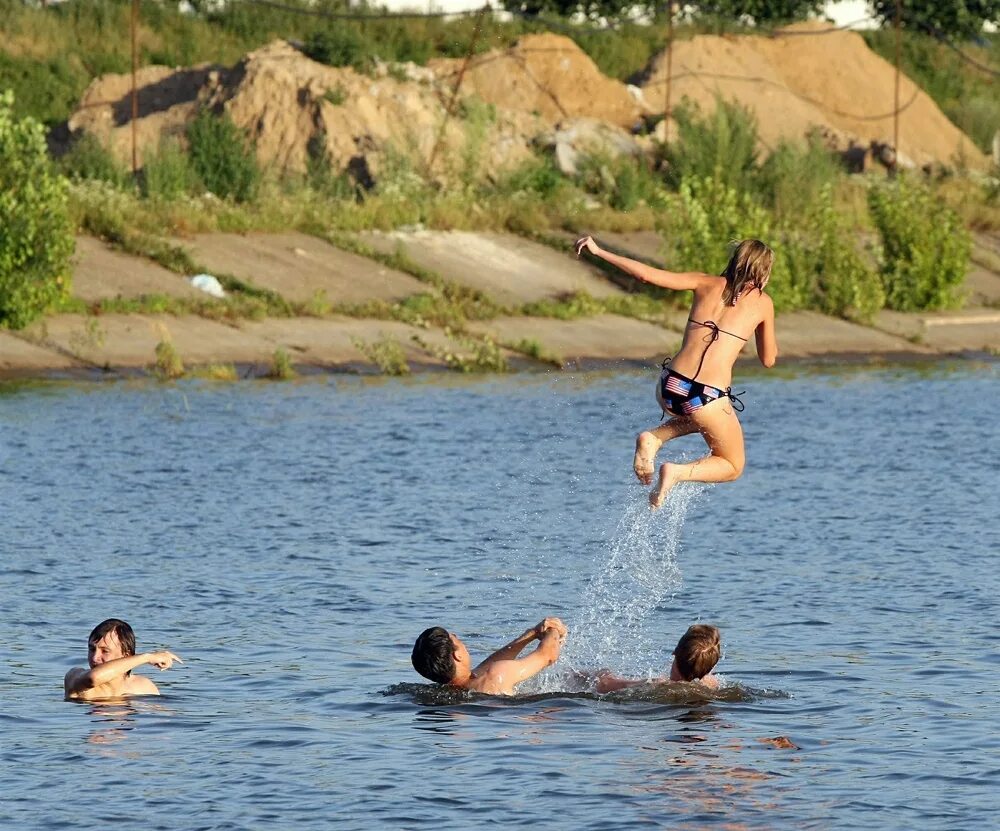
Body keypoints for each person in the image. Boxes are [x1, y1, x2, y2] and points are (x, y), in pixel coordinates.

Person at [575, 236, 779, 507]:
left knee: (701, 417)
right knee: (732, 464)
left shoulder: (704, 282)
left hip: (670, 385)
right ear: (764, 272)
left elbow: (647, 275)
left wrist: (599, 251)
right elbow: (768, 359)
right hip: (707, 396)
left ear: (734, 260)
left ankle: (654, 438)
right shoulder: (763, 302)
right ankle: (676, 472)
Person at [411, 617, 568, 695]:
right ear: (457, 655)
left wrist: (532, 634)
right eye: (455, 638)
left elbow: (492, 664)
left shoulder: (458, 686)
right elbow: (548, 655)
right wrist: (553, 629)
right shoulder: (496, 674)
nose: (459, 637)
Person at [64, 618, 182, 701]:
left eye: (105, 651)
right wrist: (147, 657)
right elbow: (93, 678)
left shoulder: (144, 687)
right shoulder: (75, 677)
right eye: (92, 649)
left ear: (126, 655)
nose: (95, 658)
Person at [589, 623, 722, 693]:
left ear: (674, 651)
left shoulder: (656, 685)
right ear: (711, 666)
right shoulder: (711, 683)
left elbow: (603, 685)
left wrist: (601, 673)